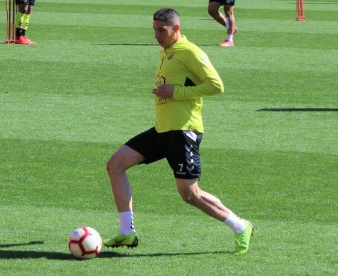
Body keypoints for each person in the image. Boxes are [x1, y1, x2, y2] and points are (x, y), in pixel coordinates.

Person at [104, 8, 253, 255]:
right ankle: (127, 232)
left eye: (161, 30)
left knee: (190, 194)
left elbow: (217, 85)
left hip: (183, 131)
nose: (156, 35)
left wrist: (177, 92)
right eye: (154, 30)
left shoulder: (190, 52)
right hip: (163, 129)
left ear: (176, 28)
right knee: (115, 164)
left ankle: (240, 226)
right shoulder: (166, 51)